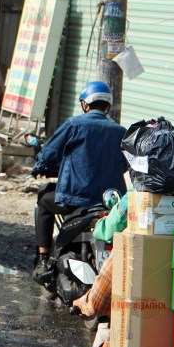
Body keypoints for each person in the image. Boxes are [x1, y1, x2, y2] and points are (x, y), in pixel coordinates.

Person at [31, 81, 127, 274]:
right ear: (107, 106)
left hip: (75, 201)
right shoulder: (121, 132)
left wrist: (40, 166)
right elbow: (126, 164)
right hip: (109, 204)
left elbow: (49, 154)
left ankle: (42, 258)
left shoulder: (74, 124)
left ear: (85, 104)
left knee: (44, 201)